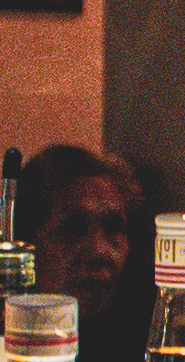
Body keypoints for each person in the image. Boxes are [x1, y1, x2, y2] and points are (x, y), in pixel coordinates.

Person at [14, 143, 150, 334]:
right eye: (72, 229)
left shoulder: (145, 335)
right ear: (27, 243)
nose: (99, 251)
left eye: (113, 228)